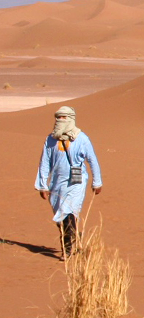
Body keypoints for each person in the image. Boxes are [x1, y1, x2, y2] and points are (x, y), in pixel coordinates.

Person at [35, 106, 103, 258]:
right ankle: (72, 238)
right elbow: (44, 162)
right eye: (59, 117)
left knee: (68, 211)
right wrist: (42, 185)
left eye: (65, 117)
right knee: (61, 216)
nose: (61, 120)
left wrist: (97, 182)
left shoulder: (81, 138)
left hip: (76, 182)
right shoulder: (51, 139)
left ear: (71, 118)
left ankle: (67, 250)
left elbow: (92, 160)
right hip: (57, 183)